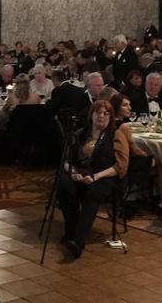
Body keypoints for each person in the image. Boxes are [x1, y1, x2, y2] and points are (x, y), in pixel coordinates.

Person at [58, 100, 129, 258]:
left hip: (108, 177)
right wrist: (73, 173)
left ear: (111, 117)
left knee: (92, 192)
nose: (101, 116)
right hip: (82, 174)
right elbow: (66, 160)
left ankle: (78, 241)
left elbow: (120, 166)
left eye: (106, 113)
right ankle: (70, 231)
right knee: (64, 186)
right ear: (92, 115)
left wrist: (96, 176)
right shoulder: (80, 133)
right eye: (98, 113)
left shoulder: (116, 135)